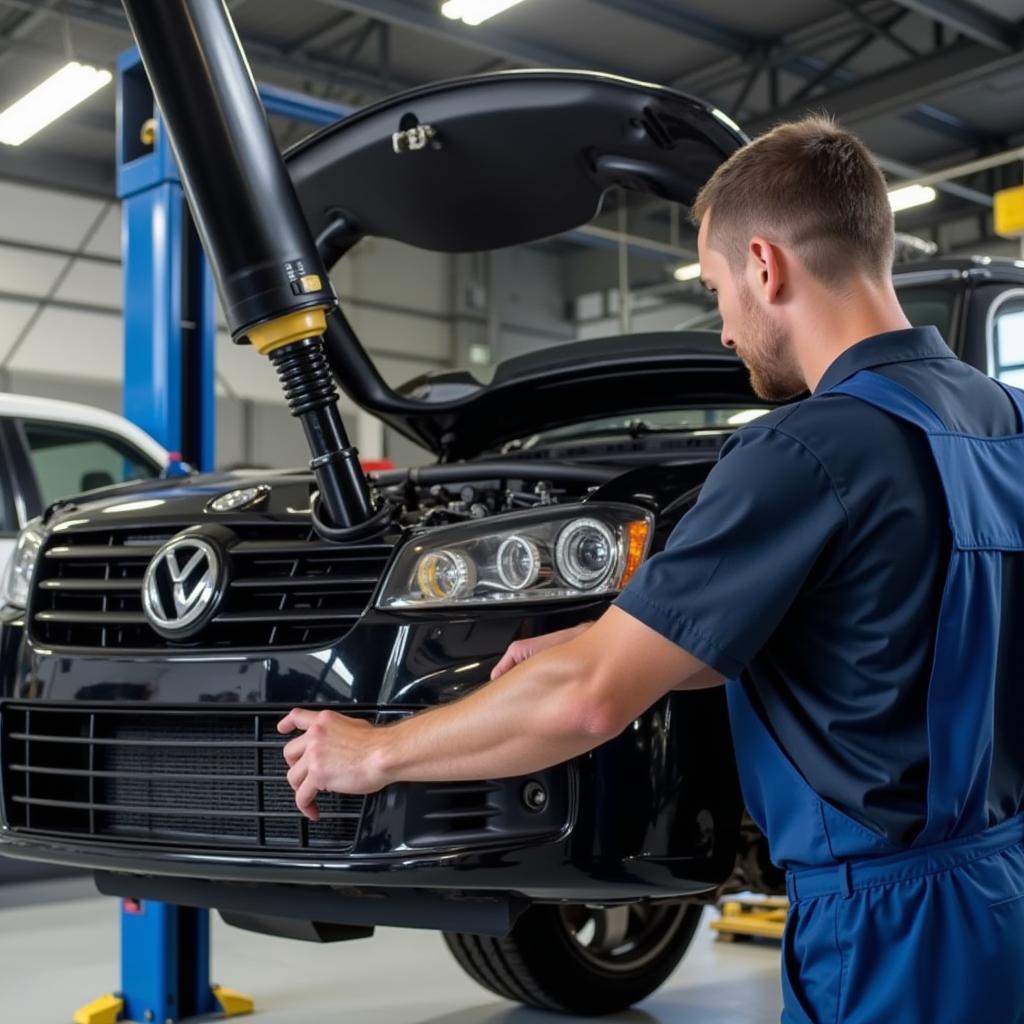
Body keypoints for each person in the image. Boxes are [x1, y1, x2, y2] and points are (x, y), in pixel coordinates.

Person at [278, 116, 1024, 1023]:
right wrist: (612, 634)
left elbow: (587, 703)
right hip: (1004, 889)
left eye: (715, 289)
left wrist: (377, 751)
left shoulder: (802, 453)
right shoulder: (1008, 422)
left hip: (889, 929)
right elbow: (879, 632)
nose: (720, 330)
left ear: (764, 264)